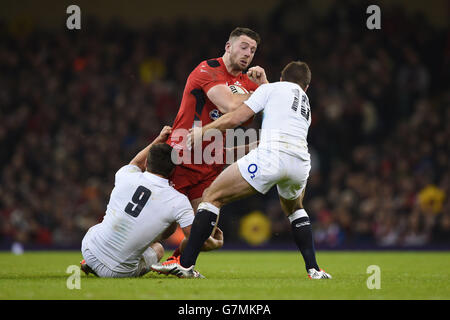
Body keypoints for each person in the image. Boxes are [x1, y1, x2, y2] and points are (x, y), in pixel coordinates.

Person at [151, 61, 332, 279]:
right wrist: (265, 84)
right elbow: (277, 100)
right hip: (300, 162)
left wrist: (204, 131)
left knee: (212, 196)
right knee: (295, 209)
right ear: (306, 87)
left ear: (282, 79)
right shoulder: (304, 102)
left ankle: (185, 264)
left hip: (272, 155)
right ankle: (314, 269)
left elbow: (236, 117)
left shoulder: (272, 88)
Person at [165, 27, 268, 260]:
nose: (248, 54)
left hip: (210, 165)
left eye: (252, 50)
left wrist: (264, 85)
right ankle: (106, 252)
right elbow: (230, 106)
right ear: (228, 47)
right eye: (243, 47)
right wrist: (259, 95)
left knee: (205, 236)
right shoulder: (208, 69)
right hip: (181, 158)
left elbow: (273, 106)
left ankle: (177, 262)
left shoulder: (246, 82)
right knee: (162, 228)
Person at [80, 126, 223, 278]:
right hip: (116, 272)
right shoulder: (178, 200)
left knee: (108, 225)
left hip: (88, 250)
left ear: (148, 162)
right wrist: (216, 243)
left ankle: (90, 263)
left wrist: (159, 139)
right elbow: (197, 238)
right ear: (173, 171)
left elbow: (136, 162)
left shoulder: (125, 175)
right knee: (158, 249)